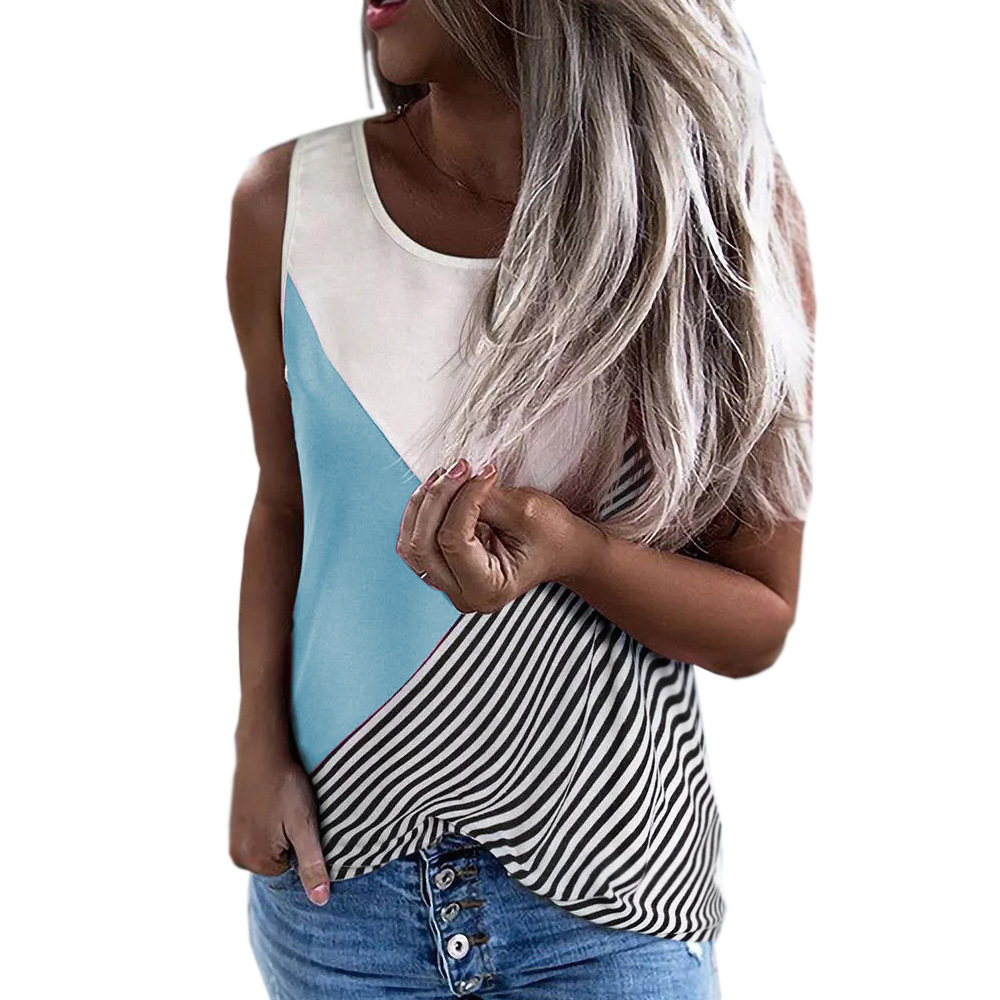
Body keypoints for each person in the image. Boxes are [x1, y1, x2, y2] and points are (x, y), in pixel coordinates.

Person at [226, 1, 816, 997]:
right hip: (339, 904)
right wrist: (256, 740)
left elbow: (758, 619)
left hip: (609, 912)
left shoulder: (712, 213)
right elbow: (285, 506)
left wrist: (576, 553)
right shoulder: (285, 203)